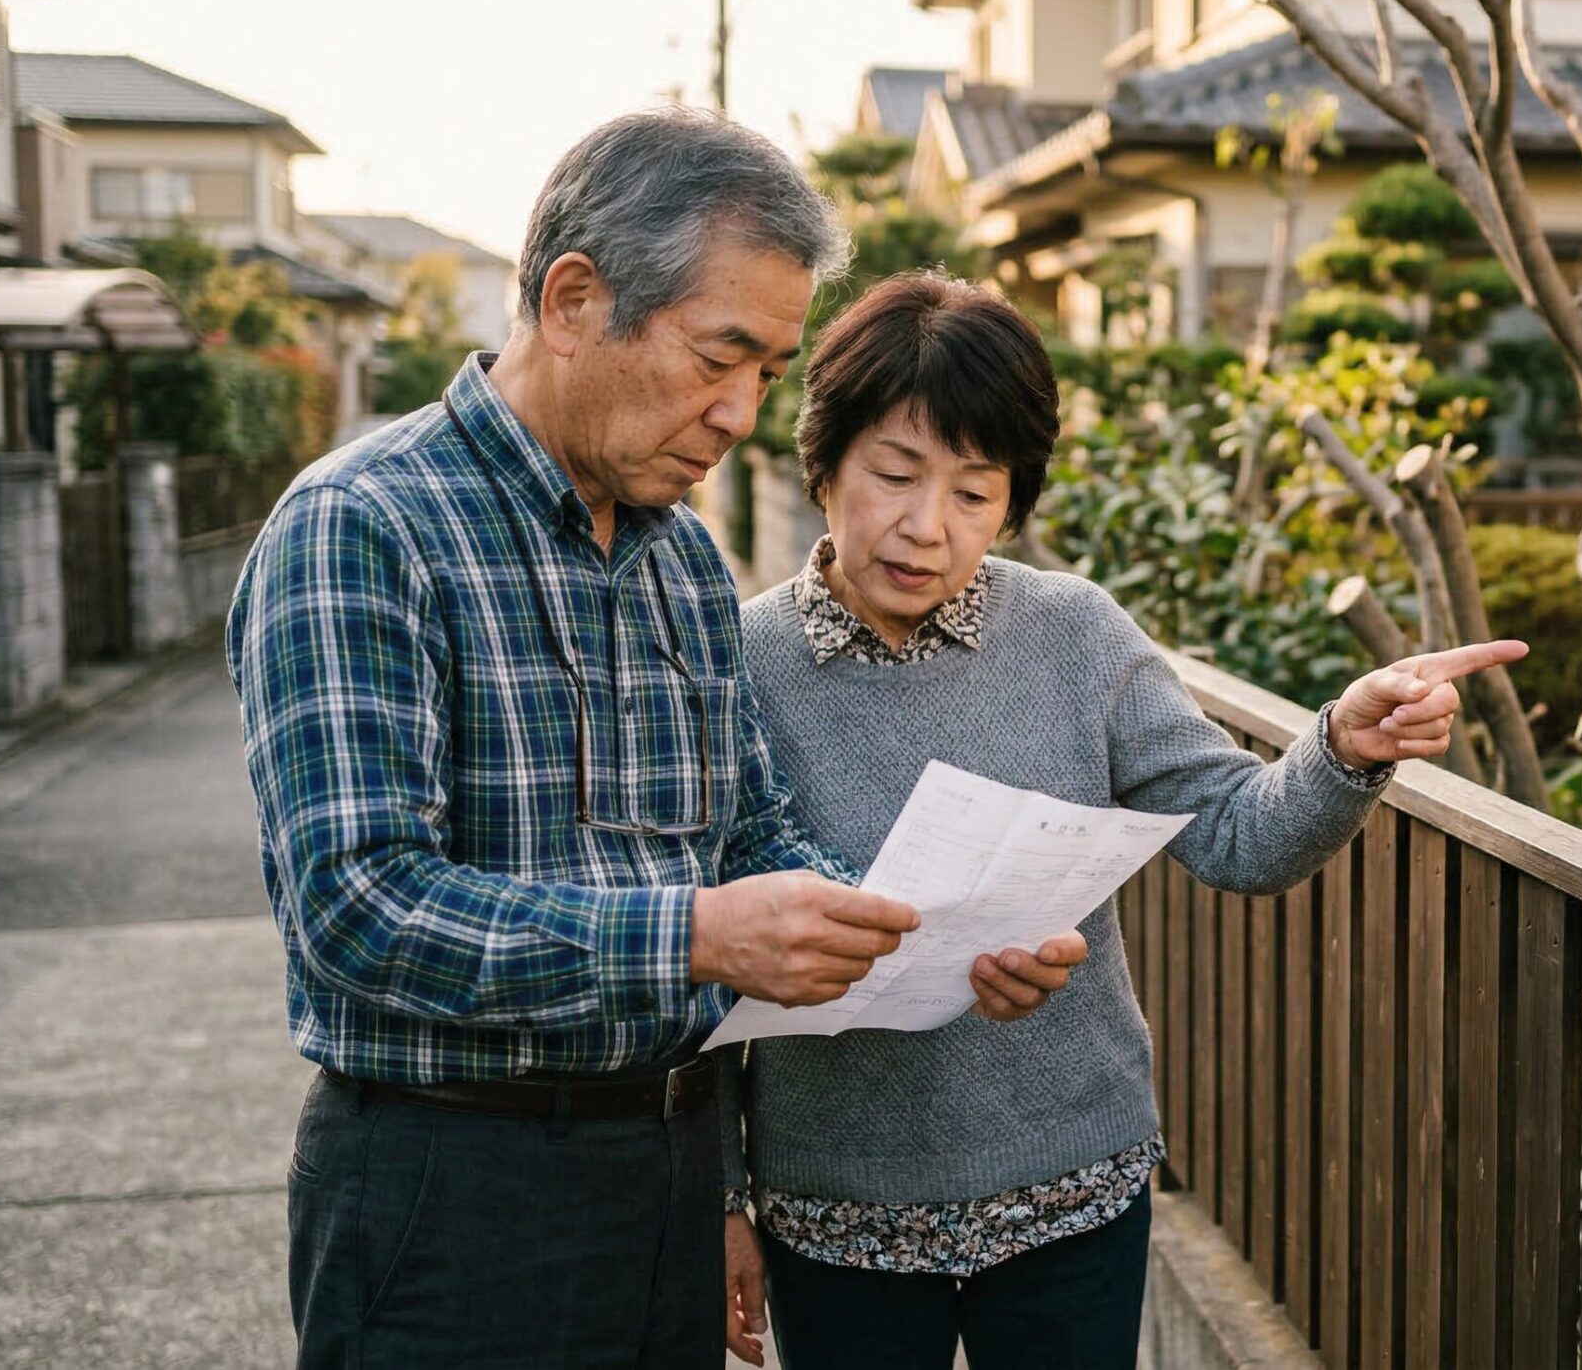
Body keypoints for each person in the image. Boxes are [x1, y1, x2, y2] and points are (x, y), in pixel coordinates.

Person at [228, 112, 1084, 1369]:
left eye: (766, 372)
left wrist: (940, 943)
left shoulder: (679, 556)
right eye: (716, 357)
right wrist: (697, 932)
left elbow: (751, 833)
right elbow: (357, 911)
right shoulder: (360, 527)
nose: (740, 413)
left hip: (671, 1170)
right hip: (450, 1181)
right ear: (574, 299)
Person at [717, 271, 1525, 1369]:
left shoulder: (1074, 635)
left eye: (973, 491)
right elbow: (702, 947)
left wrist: (1344, 743)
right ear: (824, 462)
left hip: (1071, 1187)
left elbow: (1238, 834)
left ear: (1013, 500)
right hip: (834, 1205)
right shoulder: (732, 664)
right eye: (894, 474)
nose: (925, 527)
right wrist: (723, 1191)